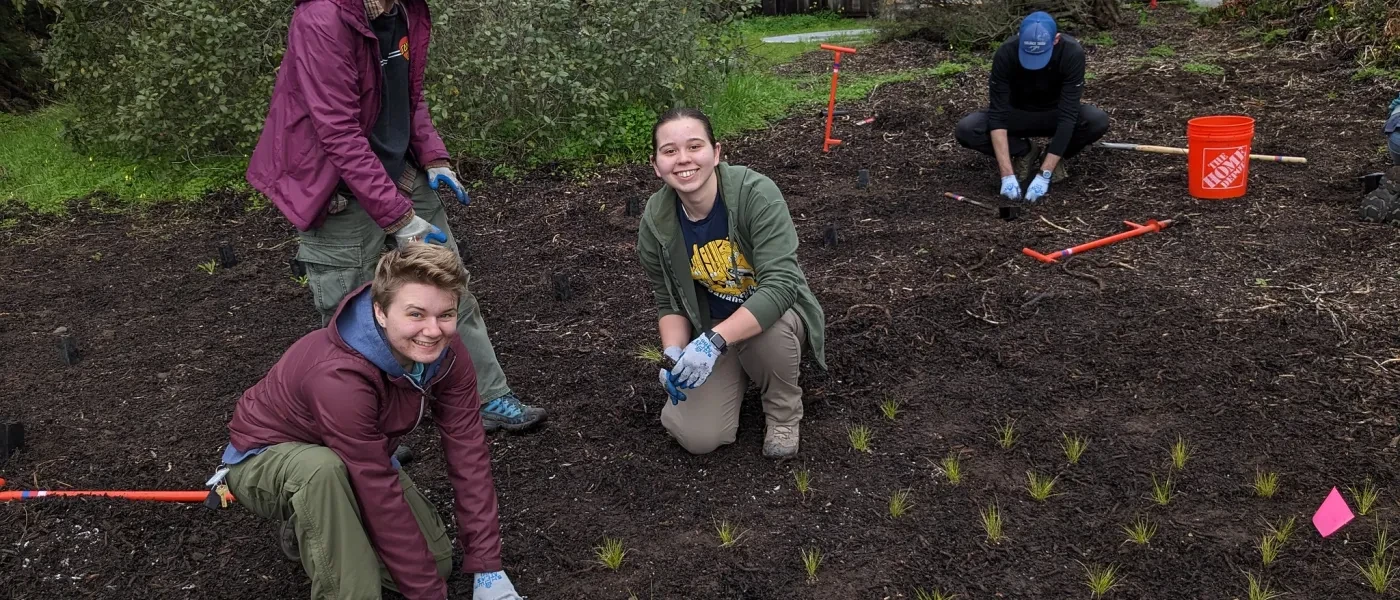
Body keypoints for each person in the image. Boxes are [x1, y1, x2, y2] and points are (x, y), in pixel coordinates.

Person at [244, 0, 544, 433]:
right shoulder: (322, 19)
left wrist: (435, 157)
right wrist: (399, 220)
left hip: (398, 172)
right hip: (333, 186)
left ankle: (488, 397)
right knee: (350, 310)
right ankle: (362, 426)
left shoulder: (404, 11)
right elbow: (338, 132)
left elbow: (408, 95)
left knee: (447, 287)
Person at [211, 244, 523, 600]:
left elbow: (468, 452)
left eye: (445, 315)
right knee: (323, 474)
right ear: (381, 312)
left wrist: (487, 567)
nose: (433, 331)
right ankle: (312, 523)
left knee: (437, 564)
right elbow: (377, 487)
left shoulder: (447, 356)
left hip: (354, 455)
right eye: (416, 314)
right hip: (266, 459)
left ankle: (316, 526)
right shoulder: (339, 376)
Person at [636, 107, 826, 459]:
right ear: (656, 164)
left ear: (716, 152)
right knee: (696, 436)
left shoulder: (755, 193)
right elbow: (669, 301)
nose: (683, 160)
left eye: (694, 146)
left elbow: (781, 286)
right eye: (669, 151)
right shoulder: (656, 220)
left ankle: (783, 414)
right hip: (712, 330)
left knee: (766, 332)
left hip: (773, 319)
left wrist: (712, 342)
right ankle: (732, 373)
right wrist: (673, 354)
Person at [954, 11, 1111, 203]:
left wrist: (1044, 174)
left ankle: (1054, 157)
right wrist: (1007, 176)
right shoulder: (1006, 53)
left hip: (1055, 114)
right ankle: (1025, 151)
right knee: (967, 129)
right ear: (1019, 38)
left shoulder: (1071, 53)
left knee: (1096, 120)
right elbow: (998, 114)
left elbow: (1068, 115)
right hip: (1017, 114)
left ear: (1056, 39)